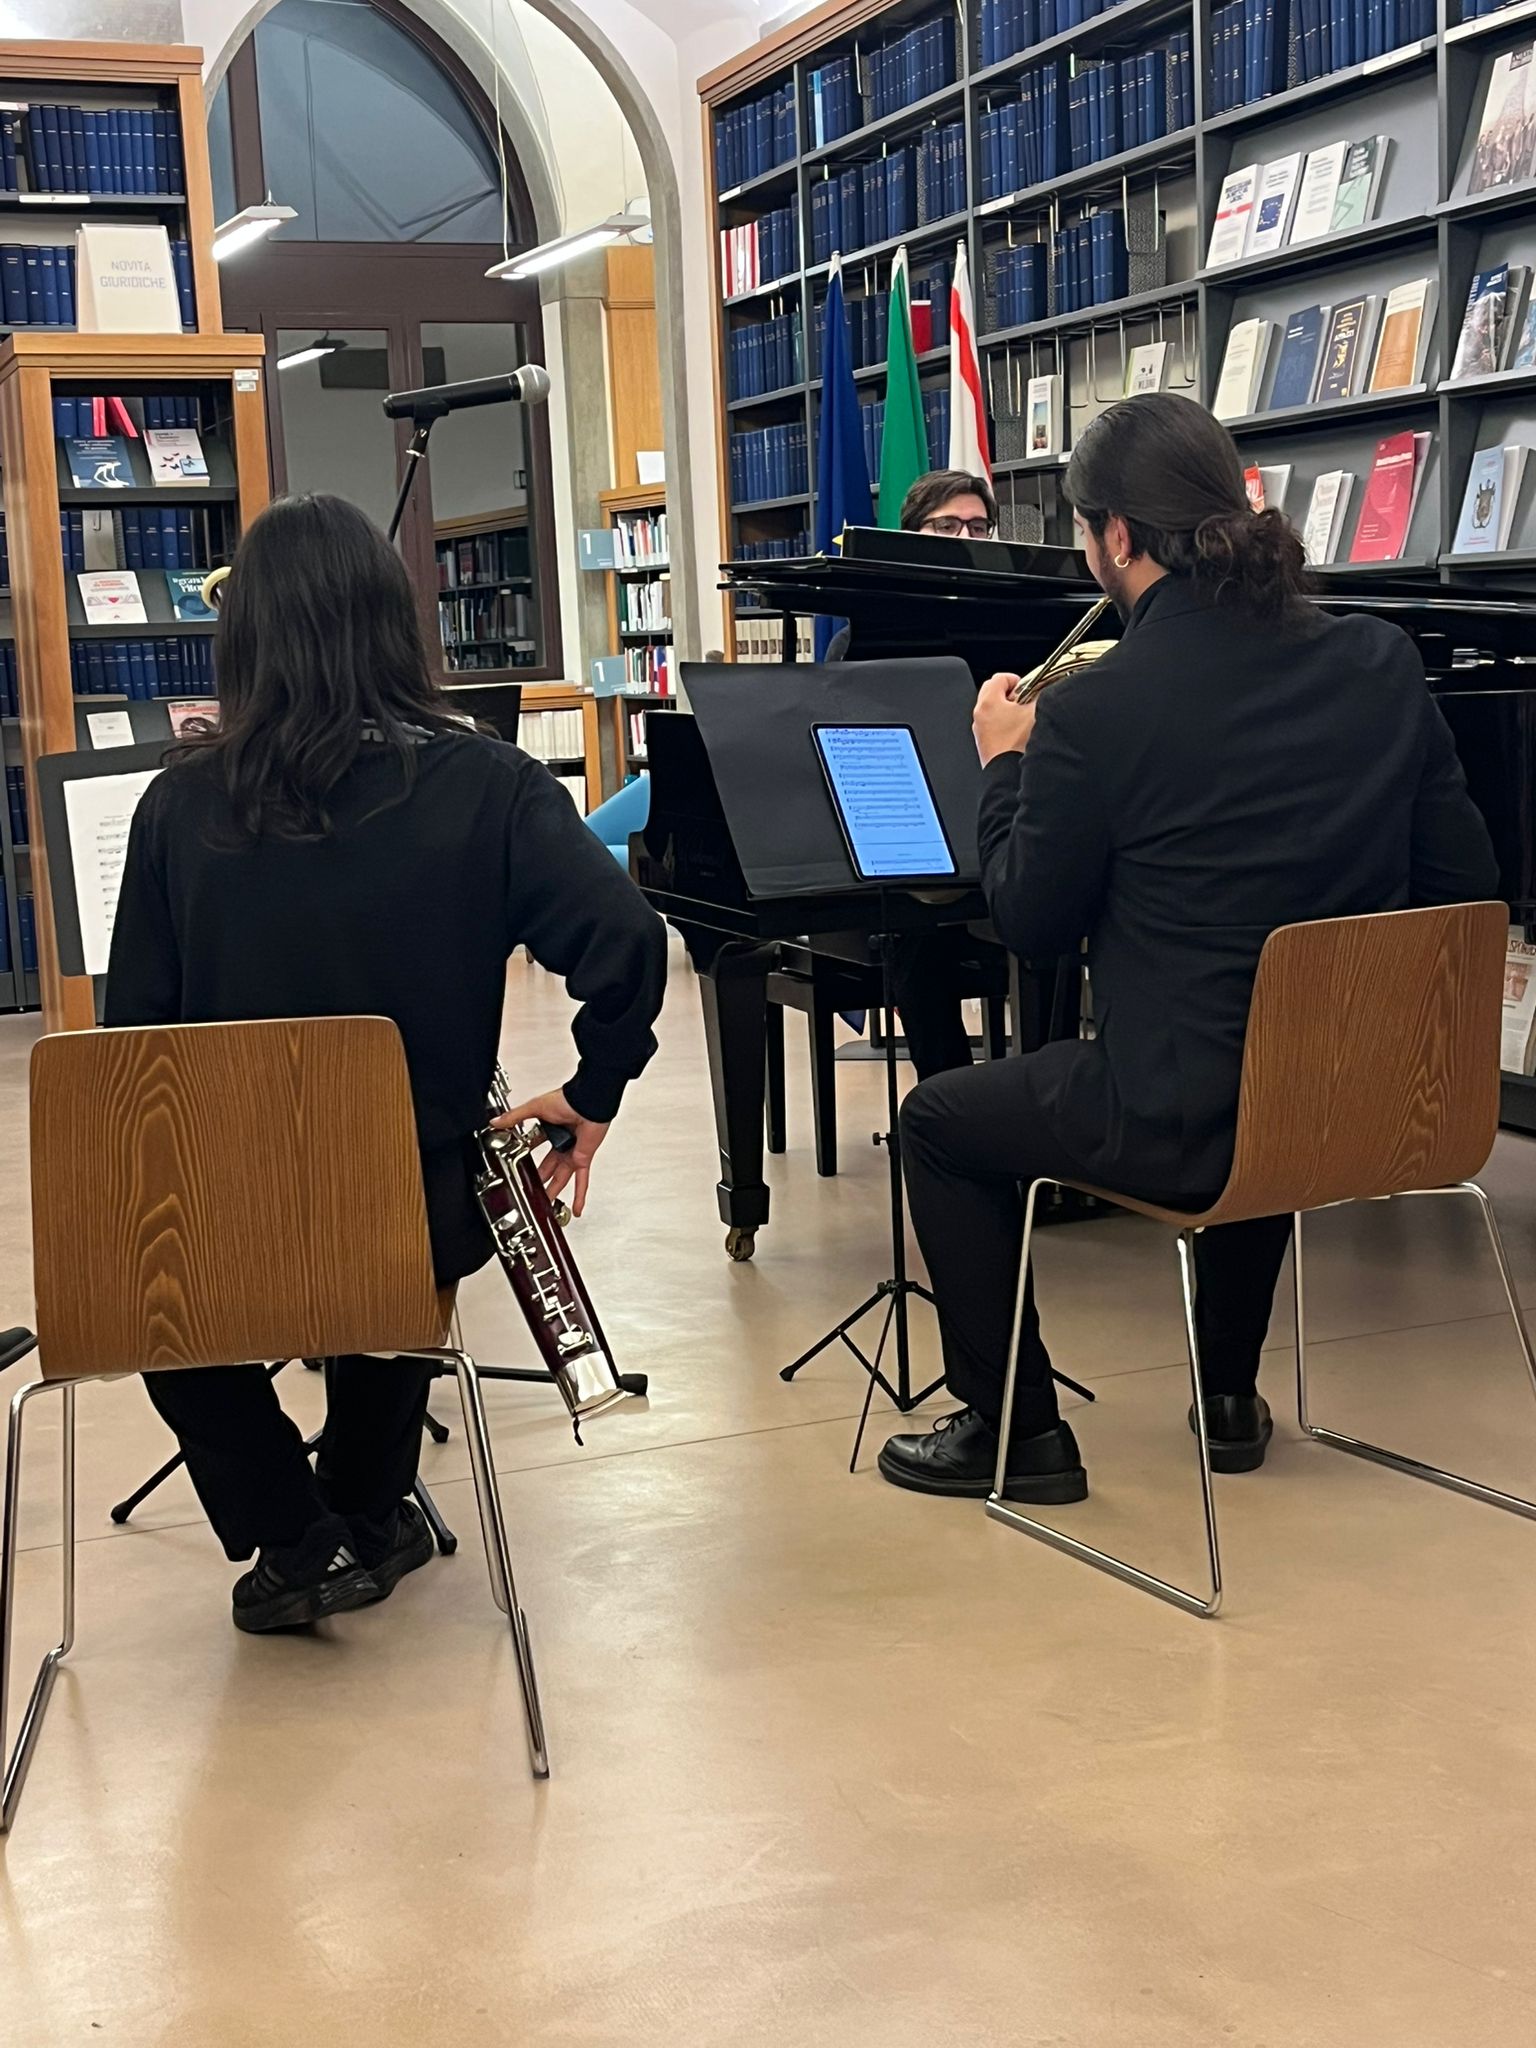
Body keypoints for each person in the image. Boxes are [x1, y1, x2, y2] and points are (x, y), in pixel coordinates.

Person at [878, 393, 1500, 1502]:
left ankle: (1014, 1429)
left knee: (938, 1122)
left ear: (1116, 536)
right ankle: (1225, 1394)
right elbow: (1463, 888)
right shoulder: (1378, 661)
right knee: (1261, 1048)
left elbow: (1028, 920)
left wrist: (1005, 764)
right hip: (1361, 1103)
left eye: (1082, 530)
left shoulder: (1096, 709)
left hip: (1185, 1120)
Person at [105, 494, 668, 1629]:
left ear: (245, 637)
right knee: (403, 1231)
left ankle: (296, 1534)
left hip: (223, 1215)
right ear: (395, 625)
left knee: (143, 1289)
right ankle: (366, 1509)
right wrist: (592, 1090)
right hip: (417, 1214)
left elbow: (135, 1048)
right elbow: (628, 942)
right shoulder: (491, 784)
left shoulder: (175, 808)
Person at [830, 468, 1010, 1080]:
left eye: (979, 527)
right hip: (909, 853)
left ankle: (1037, 1103)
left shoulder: (1018, 628)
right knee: (917, 935)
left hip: (1002, 833)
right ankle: (950, 1097)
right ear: (912, 536)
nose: (967, 537)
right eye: (947, 526)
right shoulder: (861, 642)